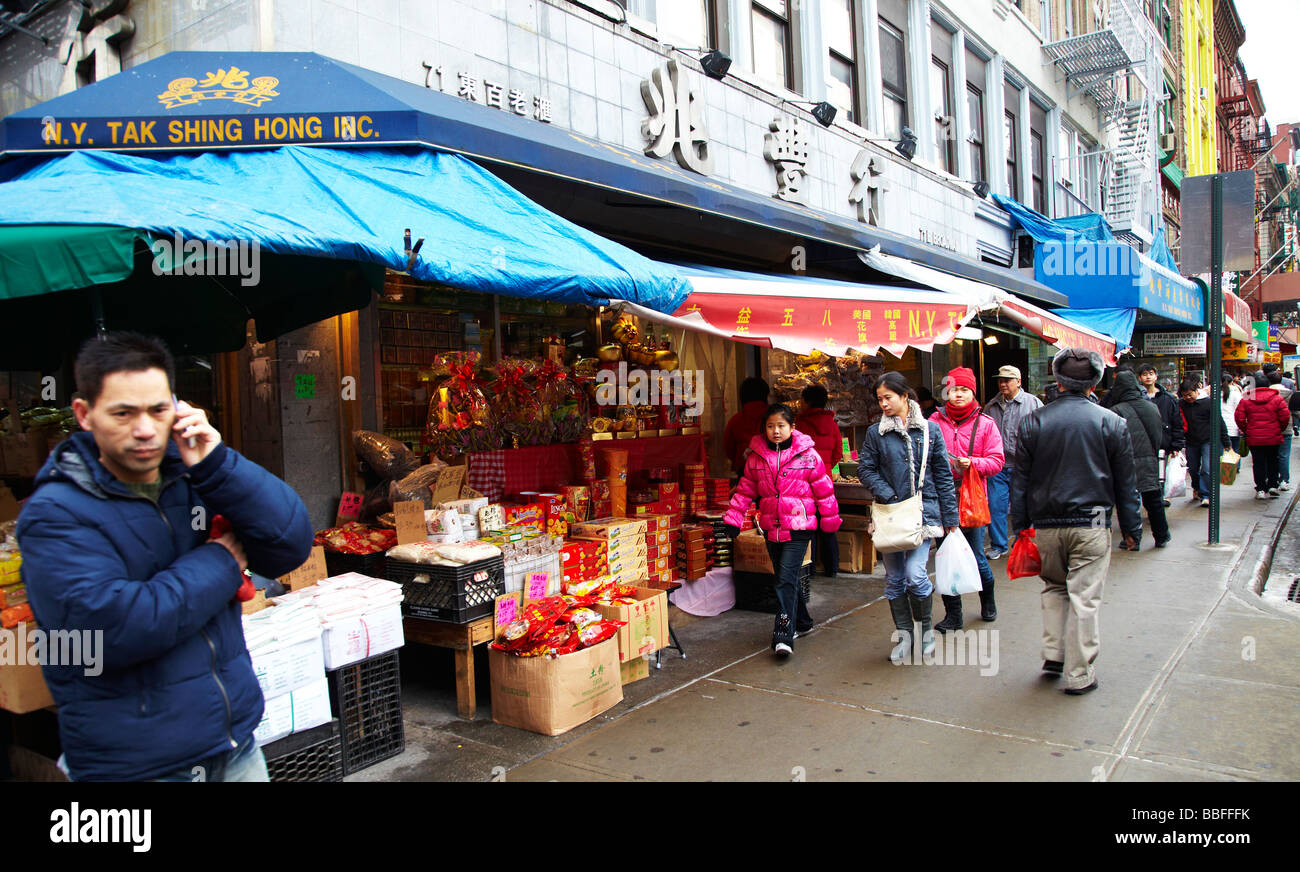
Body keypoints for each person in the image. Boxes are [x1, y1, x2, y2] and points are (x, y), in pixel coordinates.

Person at [16, 333, 314, 781]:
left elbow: (288, 543)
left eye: (157, 410)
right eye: (123, 413)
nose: (144, 429)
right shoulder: (54, 513)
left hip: (235, 749)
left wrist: (217, 463)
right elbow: (113, 629)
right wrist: (220, 562)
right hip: (137, 768)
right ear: (84, 414)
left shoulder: (193, 477)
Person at [1010, 348, 1141, 696]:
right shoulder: (1111, 422)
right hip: (1092, 524)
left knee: (1053, 587)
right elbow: (1126, 483)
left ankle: (1054, 655)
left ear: (1058, 380)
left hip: (1046, 524)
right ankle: (1079, 673)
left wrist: (1019, 525)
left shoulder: (1034, 421)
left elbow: (1020, 480)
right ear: (1096, 381)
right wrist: (1132, 527)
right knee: (1084, 596)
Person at [724, 404, 841, 656]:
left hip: (799, 526)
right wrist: (733, 519)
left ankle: (783, 634)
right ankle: (804, 621)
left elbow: (824, 490)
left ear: (792, 427)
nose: (775, 431)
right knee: (785, 578)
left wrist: (829, 524)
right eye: (770, 426)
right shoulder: (756, 457)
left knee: (784, 580)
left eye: (781, 426)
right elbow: (745, 490)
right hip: (770, 526)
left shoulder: (809, 456)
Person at [858, 372, 959, 664]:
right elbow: (866, 470)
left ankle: (925, 632)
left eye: (888, 397)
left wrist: (950, 518)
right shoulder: (876, 433)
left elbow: (942, 475)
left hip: (922, 514)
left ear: (905, 396)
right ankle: (904, 636)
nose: (883, 404)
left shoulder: (930, 431)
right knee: (894, 580)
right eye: (879, 399)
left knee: (916, 575)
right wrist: (889, 495)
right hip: (890, 516)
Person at [932, 367, 1005, 630]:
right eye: (954, 390)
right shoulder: (934, 422)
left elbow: (997, 461)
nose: (958, 394)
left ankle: (988, 600)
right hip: (942, 499)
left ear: (972, 392)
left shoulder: (986, 424)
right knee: (946, 555)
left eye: (964, 390)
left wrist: (972, 463)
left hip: (972, 498)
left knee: (975, 555)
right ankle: (954, 615)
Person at [982, 364, 1042, 560]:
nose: (1003, 384)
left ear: (1018, 381)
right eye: (1000, 380)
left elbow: (1043, 433)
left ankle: (1021, 542)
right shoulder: (991, 406)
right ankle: (999, 545)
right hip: (997, 465)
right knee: (996, 506)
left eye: (1007, 380)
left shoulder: (1033, 404)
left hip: (1023, 465)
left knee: (1021, 507)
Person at [1108, 370, 1171, 549]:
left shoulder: (1115, 411)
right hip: (1150, 459)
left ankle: (1132, 539)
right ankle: (1162, 535)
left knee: (1128, 501)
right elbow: (1158, 436)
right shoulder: (1151, 406)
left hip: (1125, 462)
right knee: (1154, 500)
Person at [795, 384, 844, 577]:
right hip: (825, 481)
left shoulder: (799, 424)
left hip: (804, 482)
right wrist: (824, 468)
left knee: (809, 526)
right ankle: (832, 568)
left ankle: (811, 569)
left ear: (806, 402)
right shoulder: (832, 424)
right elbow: (838, 453)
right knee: (828, 525)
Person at [1236, 370, 1290, 500]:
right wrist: (1278, 429)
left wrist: (1247, 430)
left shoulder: (1247, 399)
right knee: (1273, 460)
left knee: (1258, 463)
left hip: (1255, 437)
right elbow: (1285, 416)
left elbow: (1239, 417)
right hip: (1273, 436)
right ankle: (1272, 485)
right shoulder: (1277, 398)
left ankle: (1260, 489)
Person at [1137, 364, 1184, 506]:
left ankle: (1159, 501)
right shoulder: (1137, 398)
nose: (1148, 376)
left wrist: (1177, 444)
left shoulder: (1168, 398)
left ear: (1156, 376)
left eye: (1151, 373)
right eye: (1144, 374)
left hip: (1164, 442)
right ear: (1139, 378)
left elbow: (1177, 421)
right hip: (1142, 443)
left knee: (1161, 475)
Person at [1178, 378, 1230, 507]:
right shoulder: (1181, 404)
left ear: (1196, 391)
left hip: (1208, 441)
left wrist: (1226, 441)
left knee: (1207, 468)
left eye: (1190, 394)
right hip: (1191, 442)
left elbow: (1219, 422)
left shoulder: (1208, 403)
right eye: (1185, 396)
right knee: (1193, 468)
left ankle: (1205, 494)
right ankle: (1197, 487)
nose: (1188, 398)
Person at [723, 376, 770, 476]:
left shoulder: (735, 420)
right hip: (771, 470)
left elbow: (729, 449)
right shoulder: (775, 417)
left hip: (745, 471)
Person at [1267, 370, 1293, 491]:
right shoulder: (1289, 393)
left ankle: (1271, 479)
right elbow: (1295, 411)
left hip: (1270, 428)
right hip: (1286, 429)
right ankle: (1284, 480)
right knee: (1284, 456)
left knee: (1270, 455)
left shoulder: (1265, 393)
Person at [1222, 373, 1243, 458]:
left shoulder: (1215, 393)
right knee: (1235, 449)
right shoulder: (1236, 393)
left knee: (1222, 450)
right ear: (1232, 382)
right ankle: (1234, 468)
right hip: (1233, 425)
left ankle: (1222, 468)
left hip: (1220, 426)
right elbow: (1240, 409)